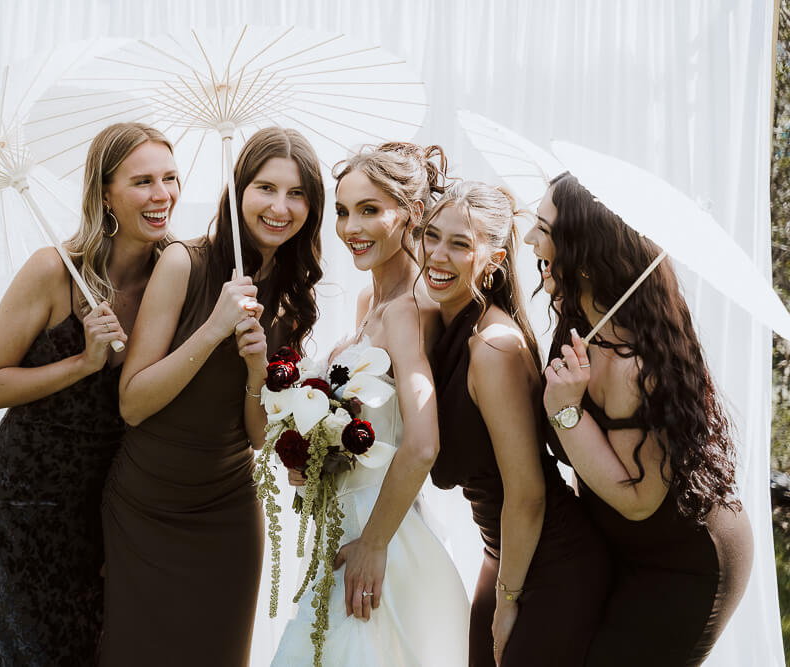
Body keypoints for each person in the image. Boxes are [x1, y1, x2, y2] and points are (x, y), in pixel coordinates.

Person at [99, 127, 324, 666]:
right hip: (146, 509)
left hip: (227, 512)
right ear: (238, 189)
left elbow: (256, 434)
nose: (279, 207)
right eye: (265, 188)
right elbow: (132, 402)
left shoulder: (290, 301)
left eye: (297, 194)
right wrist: (214, 328)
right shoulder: (183, 263)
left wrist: (254, 372)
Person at [0, 122, 178, 664]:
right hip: (22, 501)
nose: (162, 195)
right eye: (143, 181)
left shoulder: (173, 273)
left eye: (171, 179)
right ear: (104, 193)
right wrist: (83, 364)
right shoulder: (53, 271)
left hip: (109, 507)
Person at [525, 172, 753, 666]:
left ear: (583, 252)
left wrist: (564, 411)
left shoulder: (640, 365)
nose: (528, 238)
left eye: (543, 229)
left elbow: (637, 498)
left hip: (685, 558)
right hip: (614, 544)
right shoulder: (578, 324)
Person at [274, 142, 469, 667]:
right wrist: (315, 455)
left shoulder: (407, 311)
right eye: (341, 211)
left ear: (411, 214)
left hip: (382, 532)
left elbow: (423, 443)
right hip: (342, 524)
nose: (350, 227)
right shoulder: (370, 302)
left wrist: (375, 544)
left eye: (369, 210)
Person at [422, 181, 610, 666]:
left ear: (495, 261)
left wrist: (509, 602)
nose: (438, 255)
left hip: (552, 568)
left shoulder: (494, 348)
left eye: (460, 244)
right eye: (431, 236)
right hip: (503, 555)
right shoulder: (448, 327)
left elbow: (526, 494)